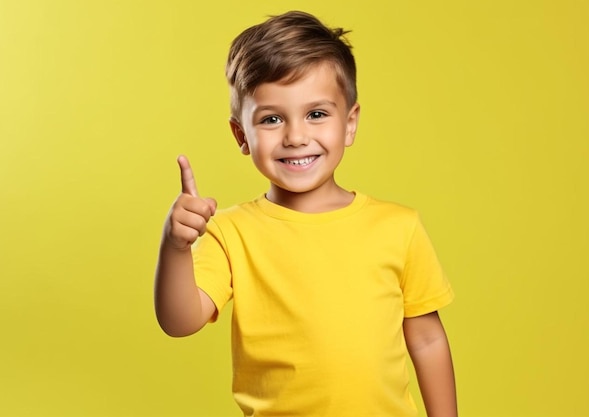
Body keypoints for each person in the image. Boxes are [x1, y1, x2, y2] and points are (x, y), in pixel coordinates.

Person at [154, 10, 457, 417]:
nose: (296, 137)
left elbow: (426, 339)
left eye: (316, 114)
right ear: (242, 135)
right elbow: (179, 320)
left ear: (349, 124)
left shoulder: (398, 227)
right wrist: (175, 246)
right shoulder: (230, 233)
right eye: (272, 119)